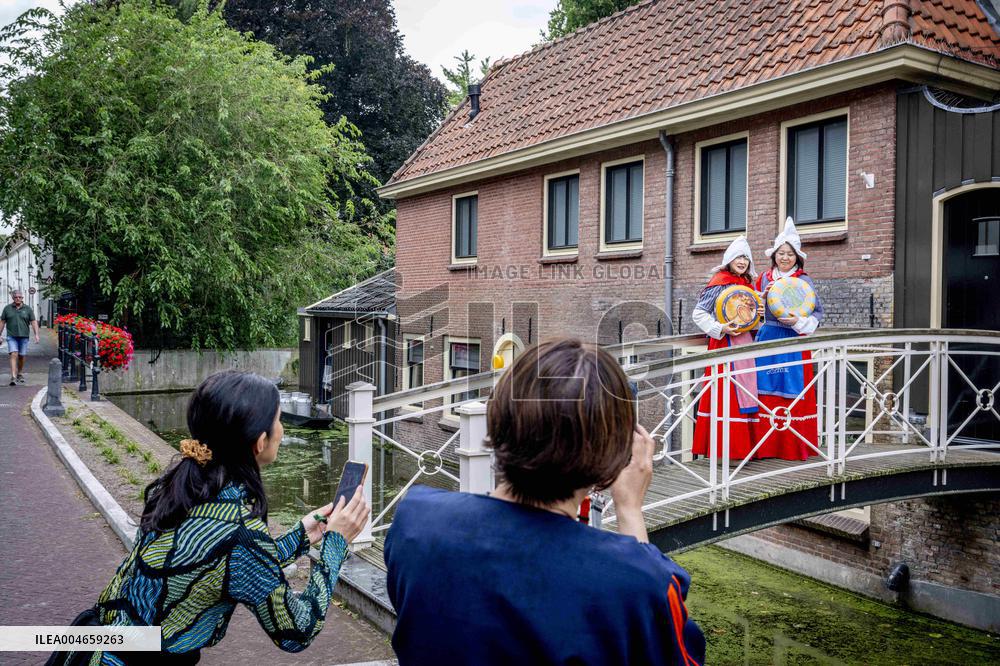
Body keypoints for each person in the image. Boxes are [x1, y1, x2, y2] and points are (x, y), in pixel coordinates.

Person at [384, 339, 705, 666]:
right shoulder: (641, 583)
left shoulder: (415, 524)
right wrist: (629, 509)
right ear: (615, 453)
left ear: (498, 417)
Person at [49, 371, 369, 665]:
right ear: (260, 442)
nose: (282, 430)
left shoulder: (181, 487)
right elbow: (297, 631)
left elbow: (215, 558)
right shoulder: (240, 531)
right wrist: (335, 545)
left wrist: (299, 536)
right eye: (277, 420)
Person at [754, 218, 824, 460]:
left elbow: (817, 313)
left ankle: (792, 447)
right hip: (769, 336)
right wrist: (758, 306)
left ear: (797, 257)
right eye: (781, 253)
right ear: (774, 255)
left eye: (790, 254)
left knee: (793, 390)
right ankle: (765, 447)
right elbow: (749, 307)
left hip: (794, 338)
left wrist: (798, 323)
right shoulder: (763, 279)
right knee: (765, 388)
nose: (785, 258)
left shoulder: (804, 281)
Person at [691, 236, 763, 460]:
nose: (742, 261)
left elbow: (751, 320)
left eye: (746, 258)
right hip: (724, 342)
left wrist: (758, 317)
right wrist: (720, 328)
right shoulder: (719, 282)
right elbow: (699, 313)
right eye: (738, 257)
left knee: (745, 392)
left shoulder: (749, 285)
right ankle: (725, 451)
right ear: (729, 259)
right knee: (726, 394)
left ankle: (743, 450)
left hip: (745, 345)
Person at [0, 290, 40, 385]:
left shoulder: (28, 309)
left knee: (21, 356)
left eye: (20, 297)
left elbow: (33, 322)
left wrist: (36, 335)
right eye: (16, 297)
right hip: (11, 336)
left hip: (24, 336)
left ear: (22, 298)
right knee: (14, 354)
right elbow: (2, 322)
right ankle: (13, 376)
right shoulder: (7, 308)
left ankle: (20, 373)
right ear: (13, 298)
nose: (18, 299)